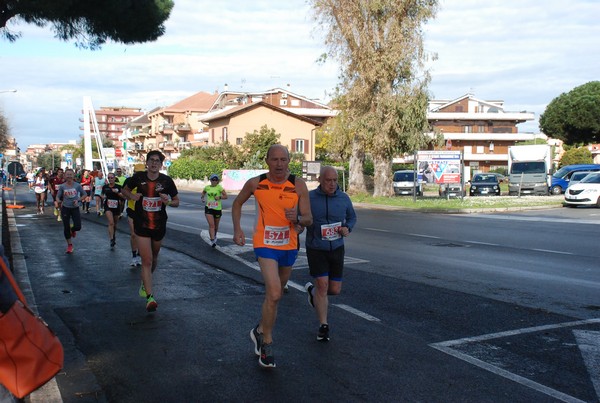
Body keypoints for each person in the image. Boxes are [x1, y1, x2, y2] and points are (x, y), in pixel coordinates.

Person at [232, 144, 312, 368]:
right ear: (267, 161)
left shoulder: (298, 184)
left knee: (277, 295)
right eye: (274, 159)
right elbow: (237, 203)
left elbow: (308, 218)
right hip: (264, 243)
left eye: (283, 159)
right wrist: (237, 229)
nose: (279, 164)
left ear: (289, 161)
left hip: (289, 245)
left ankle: (259, 330)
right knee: (275, 293)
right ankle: (267, 342)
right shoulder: (256, 183)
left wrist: (298, 217)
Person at [303, 166, 357, 342]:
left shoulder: (343, 198)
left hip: (337, 248)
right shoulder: (309, 198)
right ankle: (323, 326)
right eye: (328, 180)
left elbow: (352, 218)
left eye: (335, 180)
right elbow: (300, 216)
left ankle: (313, 294)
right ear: (320, 180)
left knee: (334, 289)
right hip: (316, 248)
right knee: (323, 286)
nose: (332, 184)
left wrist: (347, 228)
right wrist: (298, 224)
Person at [121, 151, 179, 312]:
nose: (154, 163)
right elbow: (124, 190)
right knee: (146, 261)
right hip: (142, 224)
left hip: (159, 224)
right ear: (146, 163)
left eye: (157, 161)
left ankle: (144, 282)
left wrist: (168, 201)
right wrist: (132, 196)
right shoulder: (138, 178)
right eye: (151, 160)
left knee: (154, 259)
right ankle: (150, 297)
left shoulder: (166, 181)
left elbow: (176, 201)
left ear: (161, 165)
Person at [55, 169, 87, 254]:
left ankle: (73, 230)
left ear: (73, 176)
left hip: (75, 208)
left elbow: (85, 194)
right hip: (65, 208)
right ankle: (69, 245)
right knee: (66, 227)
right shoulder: (62, 186)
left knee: (78, 227)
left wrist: (79, 200)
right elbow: (58, 196)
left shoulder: (77, 185)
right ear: (65, 176)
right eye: (67, 175)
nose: (69, 176)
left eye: (70, 174)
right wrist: (58, 201)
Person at [123, 164, 145, 267]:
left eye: (142, 173)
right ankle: (134, 256)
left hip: (143, 211)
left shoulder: (146, 182)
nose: (139, 175)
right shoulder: (129, 181)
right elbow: (123, 193)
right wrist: (130, 196)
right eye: (137, 173)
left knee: (141, 234)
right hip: (132, 209)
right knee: (133, 234)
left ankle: (140, 255)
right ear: (134, 172)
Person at [201, 174, 228, 248]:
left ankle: (214, 235)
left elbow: (226, 196)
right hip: (209, 208)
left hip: (217, 209)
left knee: (216, 226)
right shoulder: (207, 187)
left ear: (217, 181)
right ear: (210, 180)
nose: (214, 181)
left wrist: (219, 197)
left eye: (216, 180)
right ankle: (212, 240)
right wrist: (202, 198)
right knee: (211, 225)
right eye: (213, 180)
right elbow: (203, 193)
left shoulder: (219, 188)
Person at [102, 173, 125, 249]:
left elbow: (123, 197)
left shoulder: (118, 187)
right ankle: (111, 239)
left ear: (115, 178)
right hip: (108, 206)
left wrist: (117, 193)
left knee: (115, 224)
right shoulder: (105, 187)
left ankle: (113, 235)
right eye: (109, 178)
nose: (110, 179)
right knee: (111, 222)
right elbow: (102, 195)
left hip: (116, 207)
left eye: (112, 177)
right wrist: (103, 197)